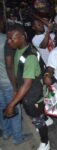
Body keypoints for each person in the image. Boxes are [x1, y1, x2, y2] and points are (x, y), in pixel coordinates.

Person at [4, 24, 50, 150]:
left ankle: (45, 143)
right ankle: (44, 119)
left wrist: (11, 104)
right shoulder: (20, 49)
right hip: (28, 93)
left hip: (33, 95)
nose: (9, 42)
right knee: (36, 116)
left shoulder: (29, 56)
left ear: (22, 37)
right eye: (8, 38)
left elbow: (27, 84)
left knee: (38, 120)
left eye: (11, 38)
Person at [0, 17, 31, 145]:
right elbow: (9, 64)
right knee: (14, 108)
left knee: (2, 106)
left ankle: (6, 132)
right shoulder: (5, 39)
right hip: (7, 80)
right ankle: (18, 137)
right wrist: (15, 87)